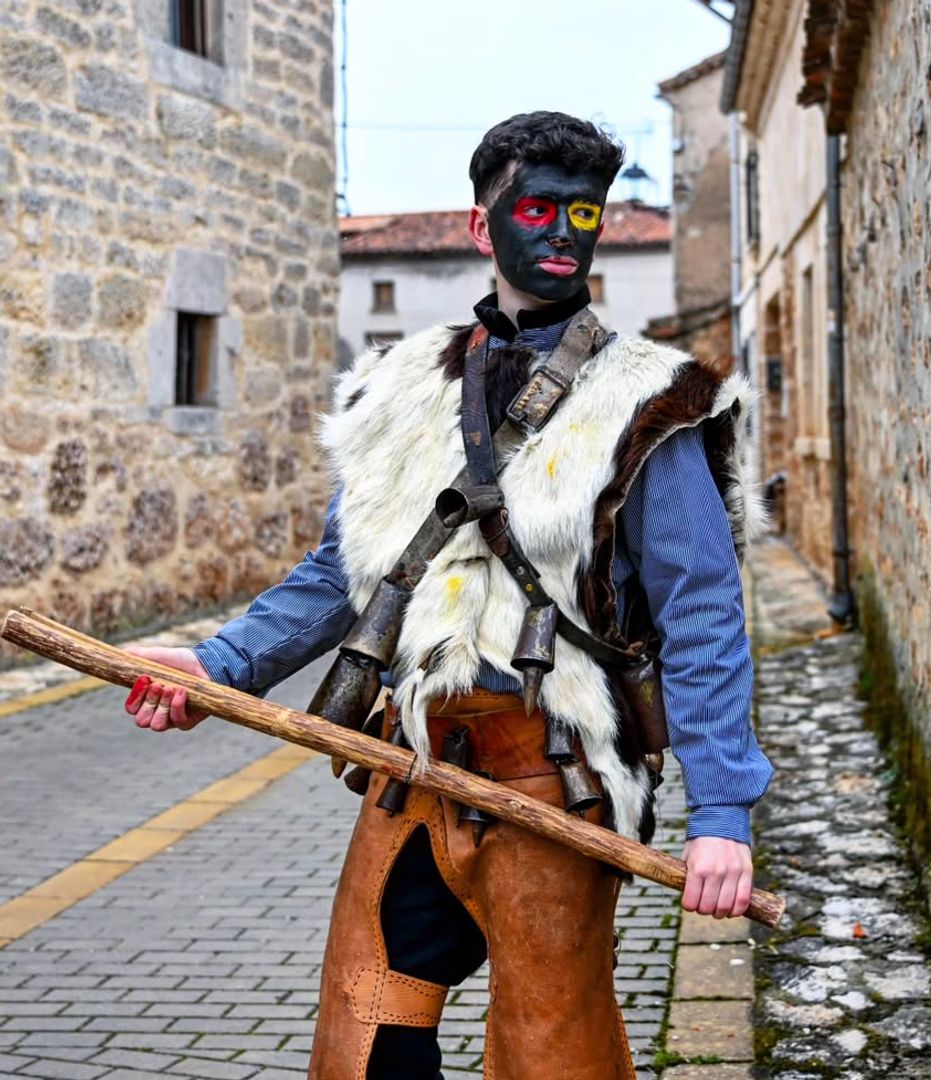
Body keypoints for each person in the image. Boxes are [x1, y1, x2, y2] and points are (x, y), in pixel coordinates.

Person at [125, 111, 773, 1080]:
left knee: (552, 1054)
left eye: (583, 213)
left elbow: (704, 615)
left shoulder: (653, 399)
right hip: (413, 768)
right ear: (485, 227)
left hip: (556, 778)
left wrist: (722, 816)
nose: (562, 232)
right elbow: (339, 575)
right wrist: (215, 667)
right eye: (538, 208)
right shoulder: (401, 385)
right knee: (365, 1030)